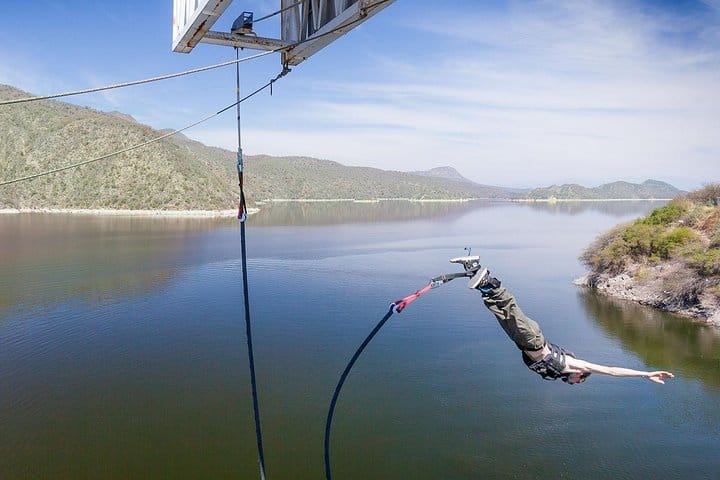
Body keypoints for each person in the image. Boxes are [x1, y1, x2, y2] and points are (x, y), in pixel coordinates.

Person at [461, 262, 674, 385]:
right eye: (576, 383)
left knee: (499, 313)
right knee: (511, 310)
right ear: (579, 376)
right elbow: (611, 371)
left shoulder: (560, 372)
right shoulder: (576, 365)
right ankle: (491, 282)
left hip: (522, 342)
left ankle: (477, 275)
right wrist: (646, 374)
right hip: (533, 339)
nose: (572, 384)